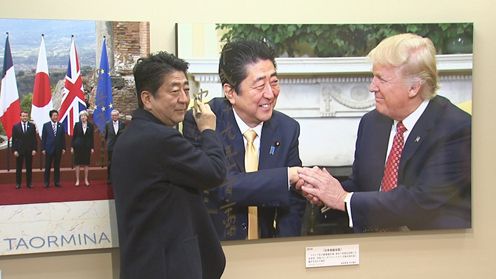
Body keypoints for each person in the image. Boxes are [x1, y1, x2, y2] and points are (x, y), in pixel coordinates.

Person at [298, 33, 471, 232]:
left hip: (428, 250)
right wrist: (325, 190)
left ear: (414, 87)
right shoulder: (372, 123)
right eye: (373, 77)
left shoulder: (456, 128)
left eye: (381, 79)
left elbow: (420, 203)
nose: (372, 87)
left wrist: (342, 198)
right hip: (370, 245)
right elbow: (362, 185)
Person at [112, 51, 226, 279]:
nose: (184, 98)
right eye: (174, 91)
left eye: (186, 89)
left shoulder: (129, 135)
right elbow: (214, 172)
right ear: (147, 99)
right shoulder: (160, 139)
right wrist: (208, 130)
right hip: (168, 268)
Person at [183, 40, 305, 240]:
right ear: (230, 92)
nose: (270, 93)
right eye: (259, 85)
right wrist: (286, 177)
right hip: (216, 251)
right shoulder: (202, 121)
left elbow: (294, 201)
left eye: (273, 82)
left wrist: (284, 247)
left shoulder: (287, 129)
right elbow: (219, 186)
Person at [11, 111, 37, 189]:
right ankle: (18, 183)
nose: (24, 117)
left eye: (26, 116)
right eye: (23, 116)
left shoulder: (32, 126)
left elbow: (34, 139)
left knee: (29, 168)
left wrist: (34, 149)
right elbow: (14, 140)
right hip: (19, 150)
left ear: (28, 117)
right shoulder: (16, 126)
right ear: (20, 117)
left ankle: (29, 183)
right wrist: (14, 150)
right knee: (19, 168)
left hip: (29, 150)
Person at [41, 109, 66, 188]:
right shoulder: (46, 125)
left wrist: (63, 148)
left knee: (57, 166)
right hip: (49, 149)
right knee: (47, 166)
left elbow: (63, 138)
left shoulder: (61, 125)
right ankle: (46, 182)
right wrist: (43, 148)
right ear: (50, 116)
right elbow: (44, 138)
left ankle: (57, 182)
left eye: (56, 115)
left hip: (58, 149)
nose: (55, 117)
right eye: (54, 115)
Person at [71, 110, 94, 187]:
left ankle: (86, 180)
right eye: (81, 116)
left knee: (86, 163)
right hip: (78, 146)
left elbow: (91, 137)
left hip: (87, 147)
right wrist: (72, 147)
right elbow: (74, 137)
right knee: (77, 163)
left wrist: (92, 147)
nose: (83, 117)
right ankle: (77, 180)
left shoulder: (90, 125)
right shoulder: (77, 125)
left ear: (87, 117)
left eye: (84, 116)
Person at [104, 109, 125, 185]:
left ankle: (119, 178)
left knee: (119, 163)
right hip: (111, 147)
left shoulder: (122, 124)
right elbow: (106, 136)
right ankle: (109, 178)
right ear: (111, 116)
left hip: (119, 146)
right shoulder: (107, 124)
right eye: (113, 115)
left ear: (118, 116)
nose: (114, 117)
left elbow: (124, 135)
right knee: (110, 163)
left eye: (116, 115)